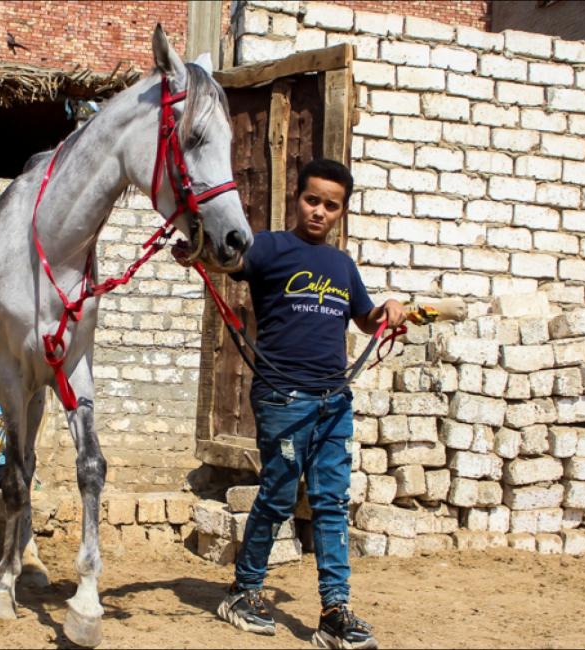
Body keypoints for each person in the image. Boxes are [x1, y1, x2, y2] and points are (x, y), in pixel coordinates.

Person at [214, 159, 404, 650]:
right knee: (278, 496)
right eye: (312, 200)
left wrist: (390, 310)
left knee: (331, 504)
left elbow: (364, 319)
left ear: (342, 211)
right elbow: (227, 260)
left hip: (333, 400)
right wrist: (200, 251)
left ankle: (335, 612)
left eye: (331, 205)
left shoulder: (342, 265)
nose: (319, 211)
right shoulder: (270, 247)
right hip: (283, 397)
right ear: (297, 198)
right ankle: (244, 590)